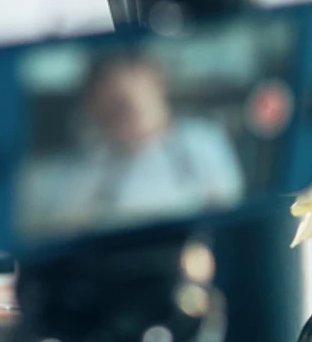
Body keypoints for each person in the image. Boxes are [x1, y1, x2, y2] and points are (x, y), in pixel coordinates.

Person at [28, 54, 245, 234]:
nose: (122, 121)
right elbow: (63, 226)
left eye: (125, 105)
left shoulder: (201, 141)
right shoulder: (97, 168)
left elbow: (228, 212)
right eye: (109, 116)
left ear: (152, 78)